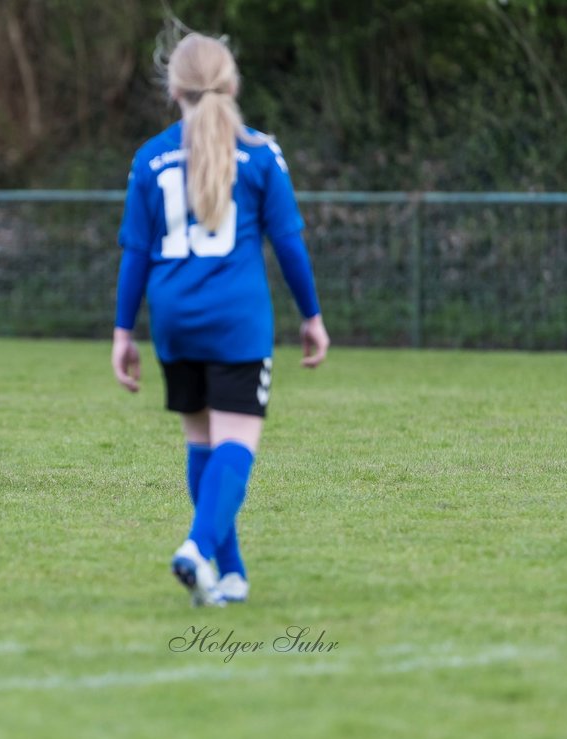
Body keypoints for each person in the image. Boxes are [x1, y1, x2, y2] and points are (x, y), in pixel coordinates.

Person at [111, 32, 330, 607]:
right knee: (235, 444)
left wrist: (121, 332)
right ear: (232, 84)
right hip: (237, 320)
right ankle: (196, 548)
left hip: (174, 319)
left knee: (203, 443)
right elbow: (288, 244)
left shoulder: (150, 156)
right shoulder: (261, 152)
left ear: (173, 87)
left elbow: (135, 253)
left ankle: (228, 575)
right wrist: (312, 317)